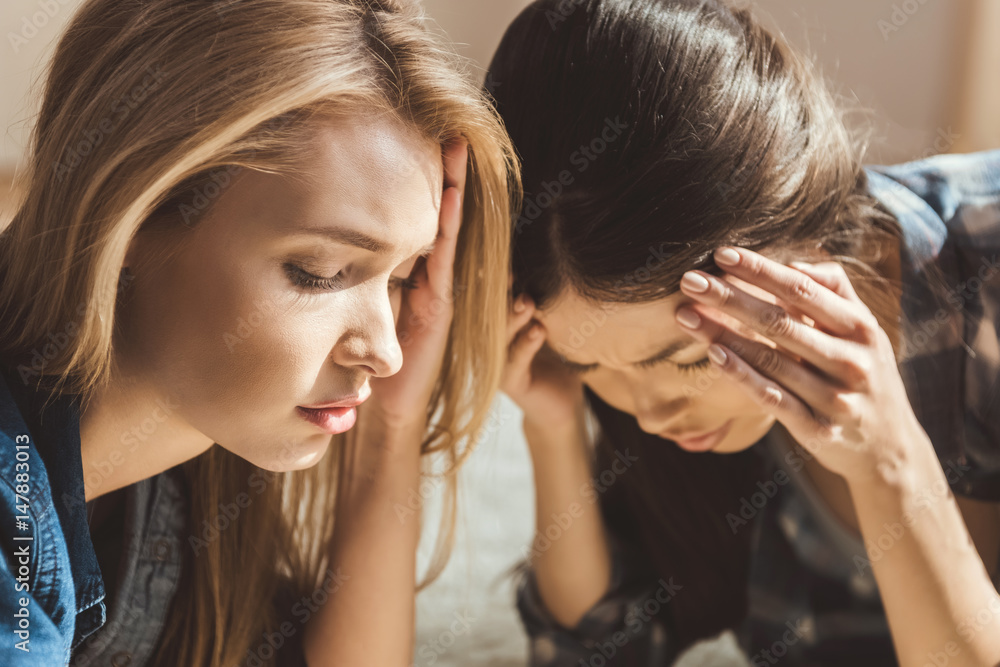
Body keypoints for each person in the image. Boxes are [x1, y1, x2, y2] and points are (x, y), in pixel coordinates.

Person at [0, 0, 517, 665]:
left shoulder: (189, 474)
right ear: (128, 216)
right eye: (319, 271)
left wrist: (392, 428)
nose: (386, 350)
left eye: (401, 278)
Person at [490, 0, 1000, 664]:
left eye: (686, 360)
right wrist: (553, 428)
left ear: (791, 234)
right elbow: (597, 651)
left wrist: (889, 461)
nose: (651, 413)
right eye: (591, 366)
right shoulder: (654, 408)